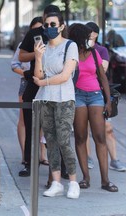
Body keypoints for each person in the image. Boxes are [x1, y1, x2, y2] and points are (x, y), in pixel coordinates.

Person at [33, 12, 80, 199]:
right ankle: (56, 181)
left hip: (65, 99)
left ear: (61, 26)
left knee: (63, 140)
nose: (49, 27)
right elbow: (38, 74)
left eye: (53, 23)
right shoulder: (44, 48)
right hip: (46, 99)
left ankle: (74, 181)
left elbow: (64, 76)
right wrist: (38, 57)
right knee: (50, 140)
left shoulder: (70, 46)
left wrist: (43, 83)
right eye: (46, 24)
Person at [68, 23, 118, 192]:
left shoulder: (94, 53)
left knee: (100, 137)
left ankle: (105, 181)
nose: (90, 40)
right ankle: (85, 178)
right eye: (87, 37)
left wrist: (108, 101)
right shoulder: (71, 54)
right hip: (77, 96)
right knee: (80, 137)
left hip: (96, 95)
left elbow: (103, 78)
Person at [18, 4, 61, 177]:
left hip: (57, 85)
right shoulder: (34, 34)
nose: (50, 25)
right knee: (30, 126)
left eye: (54, 21)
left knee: (58, 128)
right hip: (35, 83)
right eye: (47, 20)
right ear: (43, 18)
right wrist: (36, 54)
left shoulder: (65, 37)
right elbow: (21, 55)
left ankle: (61, 167)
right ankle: (29, 162)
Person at [85, 21, 126, 172]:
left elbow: (102, 69)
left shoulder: (101, 50)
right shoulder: (78, 49)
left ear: (95, 34)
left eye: (89, 32)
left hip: (100, 93)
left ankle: (114, 160)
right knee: (85, 128)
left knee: (107, 127)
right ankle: (88, 157)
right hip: (82, 92)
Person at [11, 16, 44, 165]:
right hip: (26, 82)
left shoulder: (49, 43)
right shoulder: (23, 45)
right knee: (24, 120)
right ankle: (26, 155)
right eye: (35, 28)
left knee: (43, 121)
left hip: (43, 83)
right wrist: (24, 73)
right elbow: (14, 64)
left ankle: (42, 155)